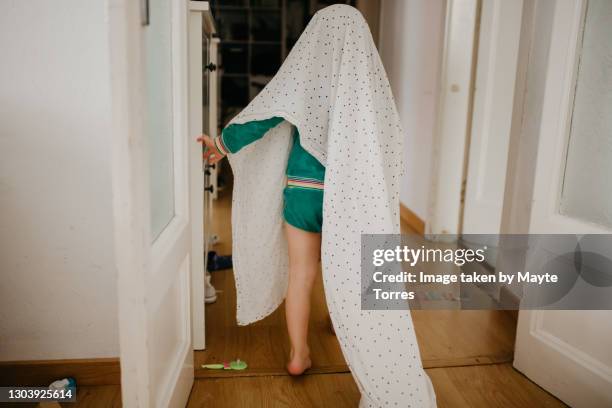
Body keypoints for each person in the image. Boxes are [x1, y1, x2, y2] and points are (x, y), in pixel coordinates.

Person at [198, 115, 324, 375]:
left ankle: (299, 354)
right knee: (347, 270)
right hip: (352, 189)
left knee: (301, 274)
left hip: (305, 184)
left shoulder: (306, 74)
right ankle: (342, 324)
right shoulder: (365, 79)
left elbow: (269, 111)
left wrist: (223, 145)